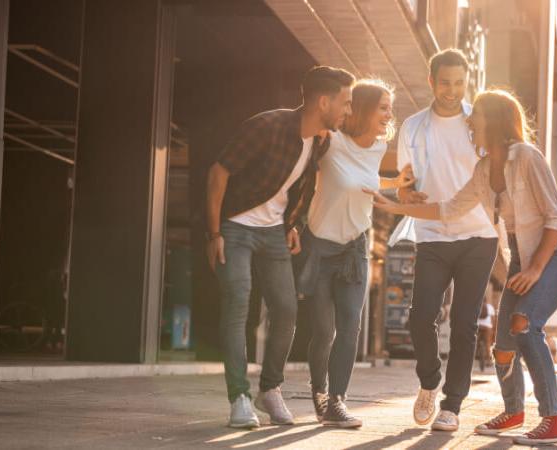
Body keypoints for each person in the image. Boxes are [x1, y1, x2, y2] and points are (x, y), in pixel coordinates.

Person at [366, 88, 557, 445]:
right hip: (523, 259)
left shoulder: (527, 157)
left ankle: (554, 421)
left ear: (495, 122)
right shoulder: (484, 170)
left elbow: (555, 219)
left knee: (524, 326)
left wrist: (534, 270)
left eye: (476, 118)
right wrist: (393, 208)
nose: (470, 123)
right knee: (503, 345)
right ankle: (514, 411)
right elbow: (448, 209)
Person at [206, 66, 354, 429]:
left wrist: (293, 225)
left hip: (273, 231)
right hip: (236, 226)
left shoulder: (319, 140)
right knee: (240, 306)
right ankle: (239, 397)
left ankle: (269, 389)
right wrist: (214, 234)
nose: (348, 111)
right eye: (345, 103)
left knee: (287, 310)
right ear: (324, 101)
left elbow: (301, 186)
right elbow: (218, 173)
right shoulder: (267, 126)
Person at [386, 48, 499, 432]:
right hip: (432, 233)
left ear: (467, 84)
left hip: (478, 235)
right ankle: (429, 382)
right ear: (431, 81)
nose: (452, 91)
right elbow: (405, 180)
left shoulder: (477, 124)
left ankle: (452, 404)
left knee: (466, 323)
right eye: (445, 82)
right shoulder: (413, 127)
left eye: (459, 83)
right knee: (421, 316)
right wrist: (405, 195)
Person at [296, 79, 414, 428]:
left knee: (350, 327)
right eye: (383, 106)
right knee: (323, 331)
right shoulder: (330, 142)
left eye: (389, 107)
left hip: (355, 249)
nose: (389, 113)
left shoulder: (378, 148)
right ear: (361, 108)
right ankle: (319, 392)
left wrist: (397, 184)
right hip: (320, 248)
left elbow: (369, 180)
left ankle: (337, 401)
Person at [476, 301, 496, 372]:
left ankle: (471, 358)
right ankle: (489, 360)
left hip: (477, 326)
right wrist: (493, 329)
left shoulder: (475, 305)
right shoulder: (490, 307)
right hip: (487, 327)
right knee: (488, 343)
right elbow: (493, 319)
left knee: (473, 343)